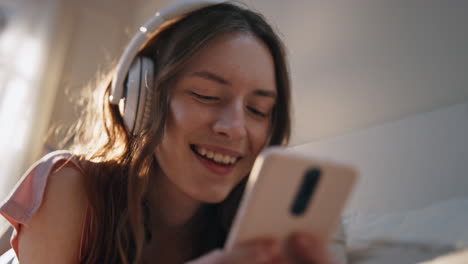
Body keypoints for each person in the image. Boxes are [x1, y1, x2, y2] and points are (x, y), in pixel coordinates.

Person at [0, 1, 342, 263]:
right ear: (142, 99)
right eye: (206, 95)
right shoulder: (71, 186)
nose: (235, 128)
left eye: (258, 110)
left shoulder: (255, 230)